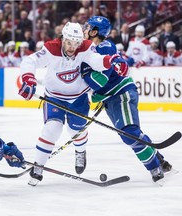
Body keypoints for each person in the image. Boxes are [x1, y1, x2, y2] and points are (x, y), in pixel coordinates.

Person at [18, 21, 126, 186]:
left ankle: (80, 151)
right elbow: (29, 61)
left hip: (79, 98)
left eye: (76, 43)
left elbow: (97, 61)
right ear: (63, 38)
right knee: (52, 128)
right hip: (54, 96)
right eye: (69, 42)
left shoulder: (85, 47)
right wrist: (28, 79)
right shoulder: (51, 48)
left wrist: (111, 60)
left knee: (76, 129)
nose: (72, 47)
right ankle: (38, 166)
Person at [81, 16, 172, 183]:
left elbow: (103, 78)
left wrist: (96, 94)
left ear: (95, 32)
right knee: (131, 133)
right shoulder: (92, 49)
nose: (84, 29)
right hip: (113, 97)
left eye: (88, 27)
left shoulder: (104, 46)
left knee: (129, 133)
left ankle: (154, 167)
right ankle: (159, 160)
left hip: (121, 94)